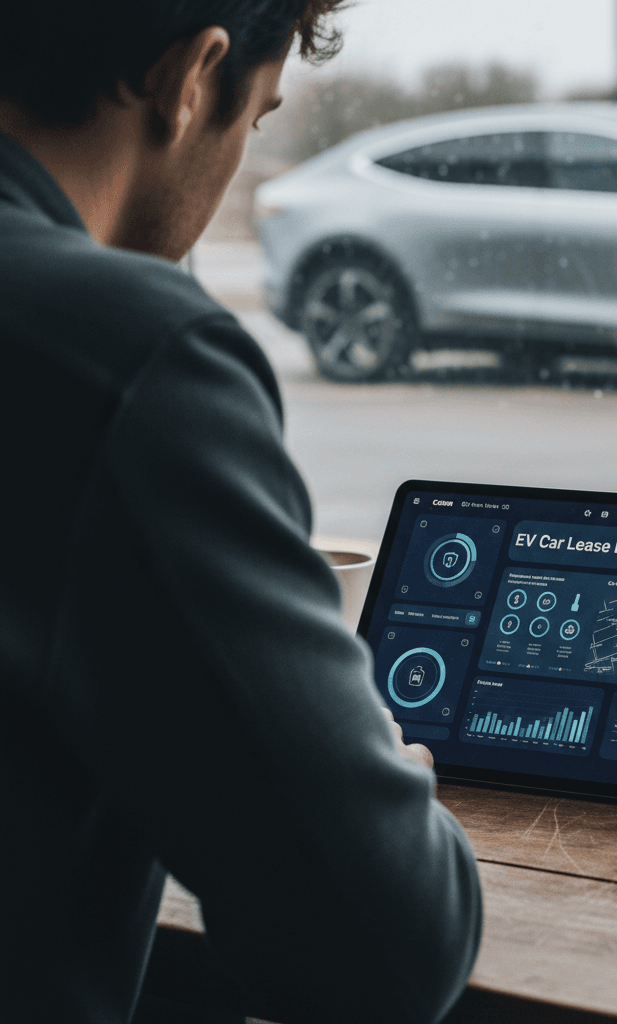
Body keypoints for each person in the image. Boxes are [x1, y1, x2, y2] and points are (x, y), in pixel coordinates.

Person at [0, 3, 482, 1022]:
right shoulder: (124, 358)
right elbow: (383, 954)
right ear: (192, 76)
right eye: (255, 119)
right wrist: (378, 772)